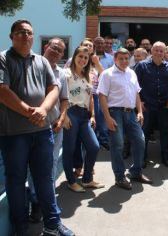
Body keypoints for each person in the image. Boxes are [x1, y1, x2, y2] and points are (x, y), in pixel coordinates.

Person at [0, 19, 74, 236]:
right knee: (15, 181)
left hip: (42, 132)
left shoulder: (41, 61)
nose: (25, 35)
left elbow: (54, 89)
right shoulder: (3, 59)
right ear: (11, 36)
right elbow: (2, 90)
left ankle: (52, 223)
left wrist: (42, 110)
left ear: (34, 37)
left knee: (45, 178)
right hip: (13, 134)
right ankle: (20, 228)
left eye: (29, 32)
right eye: (20, 32)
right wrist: (28, 111)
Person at [98, 48, 153, 190]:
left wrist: (140, 112)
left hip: (131, 113)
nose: (124, 61)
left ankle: (136, 172)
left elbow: (136, 94)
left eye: (126, 58)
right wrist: (107, 118)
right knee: (118, 145)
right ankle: (120, 177)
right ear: (115, 59)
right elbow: (102, 96)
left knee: (140, 141)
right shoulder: (107, 74)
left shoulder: (132, 73)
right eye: (121, 58)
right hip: (115, 113)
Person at [27, 37, 69, 222]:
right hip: (31, 125)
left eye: (60, 50)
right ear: (45, 47)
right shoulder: (31, 66)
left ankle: (47, 202)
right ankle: (36, 203)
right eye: (54, 47)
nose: (56, 52)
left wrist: (61, 118)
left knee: (50, 165)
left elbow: (65, 99)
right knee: (32, 166)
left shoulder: (61, 74)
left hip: (53, 126)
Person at [62, 46, 103, 193]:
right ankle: (71, 181)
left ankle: (87, 180)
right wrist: (64, 115)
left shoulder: (88, 76)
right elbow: (60, 96)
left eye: (86, 58)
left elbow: (90, 97)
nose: (83, 60)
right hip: (71, 112)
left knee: (94, 146)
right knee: (69, 148)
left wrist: (92, 115)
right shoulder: (65, 74)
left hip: (84, 115)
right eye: (80, 56)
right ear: (74, 57)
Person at [135, 41, 168, 168]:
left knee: (165, 132)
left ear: (164, 52)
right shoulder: (142, 66)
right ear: (151, 51)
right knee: (144, 132)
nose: (159, 53)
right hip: (147, 105)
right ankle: (142, 158)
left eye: (161, 51)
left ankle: (165, 157)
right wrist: (140, 102)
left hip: (164, 106)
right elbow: (134, 86)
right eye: (156, 50)